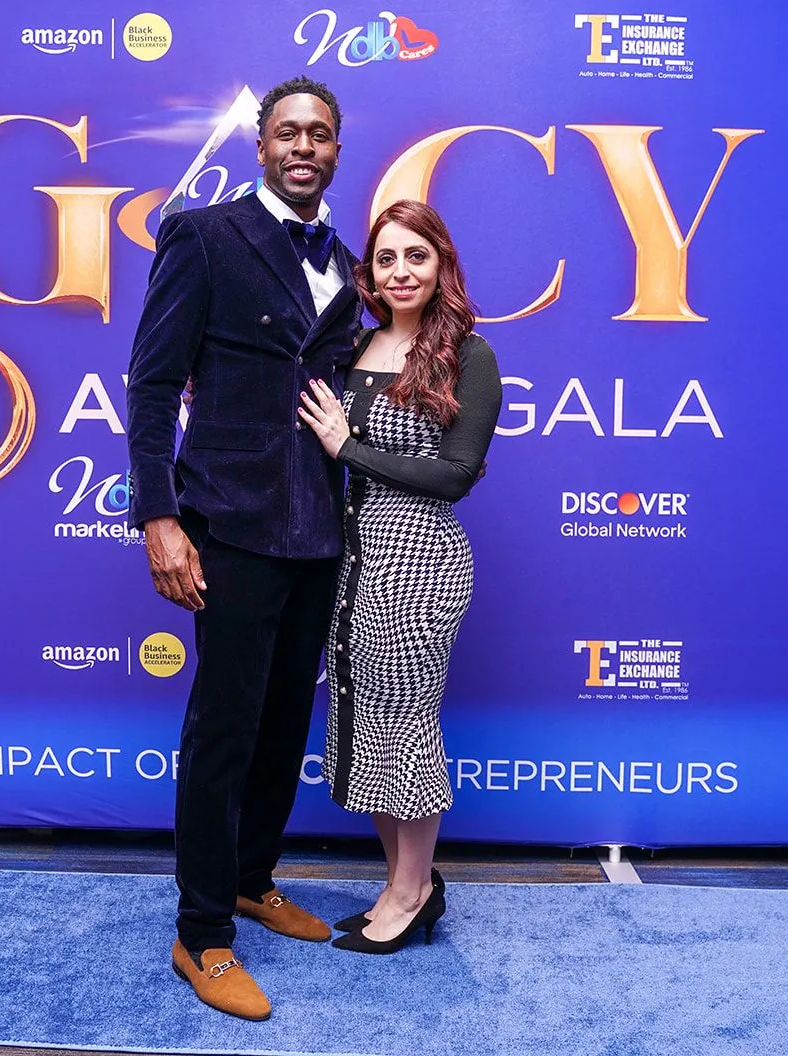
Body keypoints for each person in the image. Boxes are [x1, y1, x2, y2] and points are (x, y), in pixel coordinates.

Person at [125, 76, 361, 1020]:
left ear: (336, 150)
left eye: (320, 134)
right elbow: (152, 386)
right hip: (229, 521)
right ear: (261, 146)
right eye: (288, 132)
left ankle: (253, 879)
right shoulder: (204, 235)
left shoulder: (347, 262)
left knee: (283, 723)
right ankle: (201, 932)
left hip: (317, 531)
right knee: (223, 729)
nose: (304, 146)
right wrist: (160, 517)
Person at [296, 199, 501, 954]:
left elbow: (454, 477)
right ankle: (400, 883)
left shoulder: (468, 355)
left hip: (421, 560)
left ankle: (413, 893)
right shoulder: (355, 346)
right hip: (354, 560)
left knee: (406, 728)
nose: (401, 271)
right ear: (370, 273)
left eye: (417, 255)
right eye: (387, 258)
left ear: (442, 263)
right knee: (368, 726)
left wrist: (348, 449)